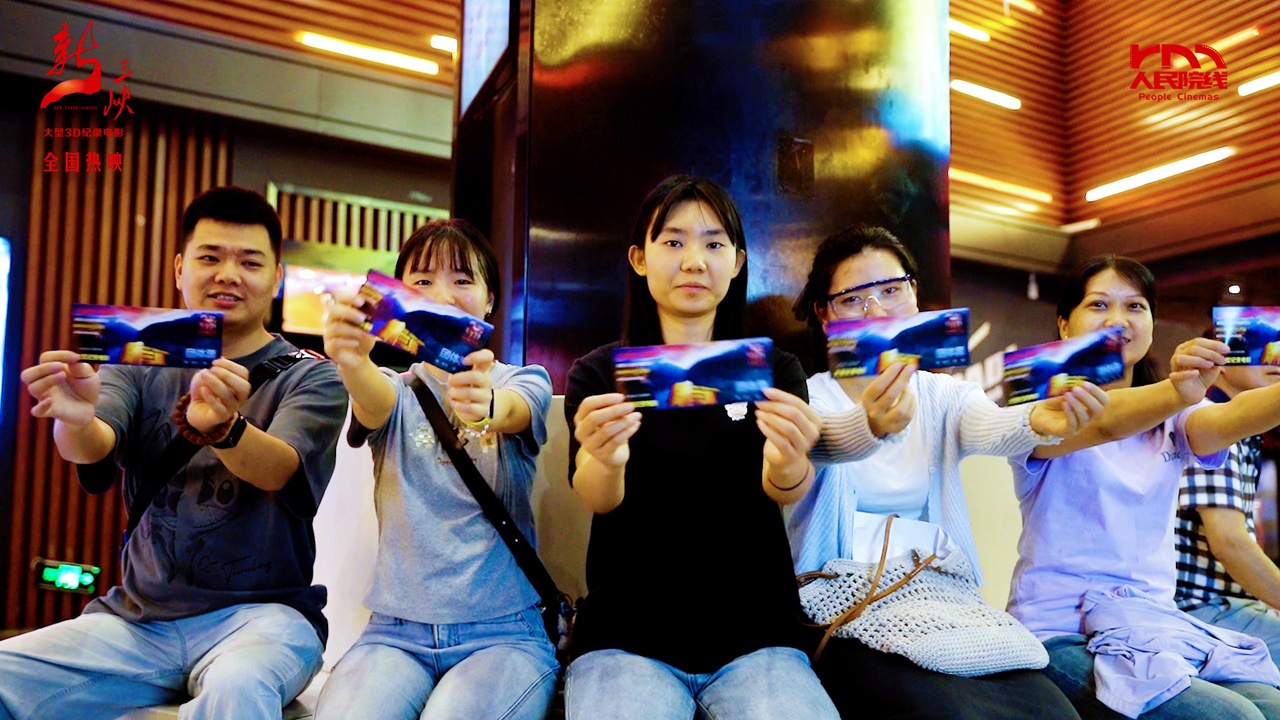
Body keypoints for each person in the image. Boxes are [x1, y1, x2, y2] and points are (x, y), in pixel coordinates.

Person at [2, 186, 348, 720]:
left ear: (277, 278)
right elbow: (94, 444)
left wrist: (226, 428)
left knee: (239, 686)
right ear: (180, 268)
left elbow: (280, 469)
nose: (228, 274)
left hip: (265, 619)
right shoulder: (137, 358)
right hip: (138, 621)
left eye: (250, 262)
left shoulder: (311, 374)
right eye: (210, 258)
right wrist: (75, 418)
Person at [788, 225, 1109, 720]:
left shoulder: (942, 395)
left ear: (914, 295)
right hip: (842, 606)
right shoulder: (807, 396)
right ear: (825, 314)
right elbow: (822, 440)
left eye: (891, 290)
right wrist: (871, 424)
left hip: (942, 597)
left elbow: (991, 426)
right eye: (853, 300)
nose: (877, 312)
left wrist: (1037, 420)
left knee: (1054, 713)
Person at [563, 175, 839, 719]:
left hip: (758, 636)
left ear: (736, 263)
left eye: (714, 244)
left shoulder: (774, 369)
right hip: (625, 636)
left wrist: (788, 459)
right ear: (639, 259)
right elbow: (595, 495)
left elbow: (786, 487)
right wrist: (607, 458)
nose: (694, 261)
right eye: (673, 242)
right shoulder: (600, 374)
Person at [1009, 256, 1280, 719]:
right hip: (1058, 632)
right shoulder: (1041, 407)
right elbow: (1105, 422)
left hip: (1154, 627)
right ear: (1064, 324)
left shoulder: (1177, 415)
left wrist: (1182, 396)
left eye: (1135, 306)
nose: (1118, 319)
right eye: (1099, 304)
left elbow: (1231, 417)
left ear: (1152, 325)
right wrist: (1178, 391)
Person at [314, 219, 557, 720]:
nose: (442, 294)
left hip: (505, 633)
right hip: (393, 634)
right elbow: (372, 398)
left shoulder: (525, 380)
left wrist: (486, 407)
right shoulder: (395, 389)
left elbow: (513, 408)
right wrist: (351, 361)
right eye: (422, 281)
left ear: (490, 299)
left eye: (462, 279)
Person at [1176, 352, 1280, 664]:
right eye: (1258, 345)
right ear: (1219, 362)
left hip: (1221, 604)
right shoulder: (1212, 421)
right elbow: (1230, 544)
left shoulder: (1243, 432)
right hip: (1198, 607)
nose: (1275, 358)